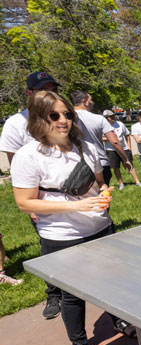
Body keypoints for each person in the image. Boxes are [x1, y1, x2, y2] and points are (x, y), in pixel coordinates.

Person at [10, 91, 135, 345]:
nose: (63, 120)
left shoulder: (87, 148)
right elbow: (23, 202)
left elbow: (99, 183)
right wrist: (77, 207)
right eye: (54, 115)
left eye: (67, 114)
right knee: (72, 295)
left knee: (113, 280)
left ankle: (118, 319)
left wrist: (105, 194)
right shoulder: (28, 156)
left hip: (101, 226)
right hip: (61, 236)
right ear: (39, 119)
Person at [0, 71, 62, 317]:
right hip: (42, 196)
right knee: (49, 245)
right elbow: (17, 168)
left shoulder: (62, 116)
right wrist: (33, 204)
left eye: (52, 88)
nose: (49, 93)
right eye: (42, 89)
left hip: (73, 191)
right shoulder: (17, 123)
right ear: (29, 93)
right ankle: (54, 294)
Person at [70, 90, 134, 186]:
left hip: (76, 165)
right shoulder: (99, 118)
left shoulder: (67, 119)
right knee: (103, 196)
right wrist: (126, 159)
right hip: (100, 164)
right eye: (91, 100)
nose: (93, 102)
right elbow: (114, 141)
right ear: (85, 102)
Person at [0, 72, 59, 163]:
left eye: (54, 90)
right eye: (43, 90)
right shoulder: (15, 123)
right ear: (29, 93)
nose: (51, 94)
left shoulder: (68, 117)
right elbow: (16, 164)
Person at [103, 110, 141, 190]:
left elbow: (127, 135)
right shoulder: (103, 126)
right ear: (106, 118)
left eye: (113, 115)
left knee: (130, 165)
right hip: (111, 150)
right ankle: (121, 183)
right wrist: (110, 139)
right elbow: (101, 138)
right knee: (116, 167)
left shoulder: (120, 124)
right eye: (110, 117)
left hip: (123, 148)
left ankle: (137, 181)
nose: (113, 117)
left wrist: (129, 147)